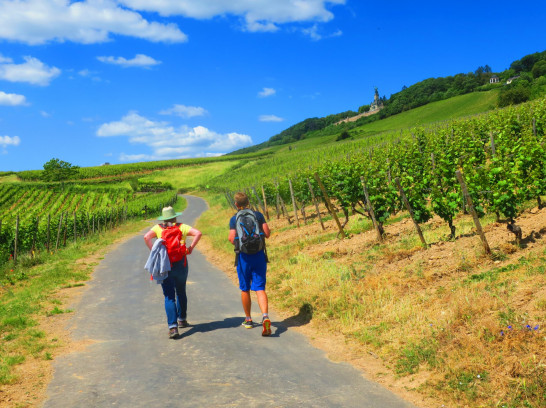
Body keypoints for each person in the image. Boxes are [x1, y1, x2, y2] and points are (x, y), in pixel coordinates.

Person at [144, 206, 202, 339]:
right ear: (175, 216)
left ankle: (173, 327)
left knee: (169, 296)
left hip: (165, 265)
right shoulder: (181, 227)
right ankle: (182, 319)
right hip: (181, 263)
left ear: (163, 218)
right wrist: (191, 248)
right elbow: (198, 233)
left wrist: (154, 251)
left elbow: (146, 237)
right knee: (181, 290)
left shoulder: (158, 228)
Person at [228, 192, 272, 336]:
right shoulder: (258, 215)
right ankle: (265, 316)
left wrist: (241, 241)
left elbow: (231, 238)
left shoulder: (234, 218)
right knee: (259, 288)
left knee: (245, 288)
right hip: (259, 255)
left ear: (236, 204)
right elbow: (267, 233)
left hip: (243, 257)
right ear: (248, 202)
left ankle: (248, 319)